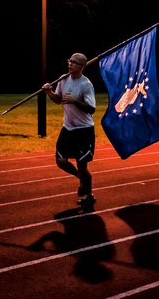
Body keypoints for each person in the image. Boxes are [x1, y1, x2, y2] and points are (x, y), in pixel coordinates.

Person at [42, 52, 96, 206]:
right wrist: (49, 92)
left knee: (82, 164)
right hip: (68, 128)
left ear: (82, 66)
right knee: (60, 160)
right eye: (70, 61)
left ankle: (88, 194)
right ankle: (81, 178)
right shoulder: (63, 79)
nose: (70, 64)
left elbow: (91, 109)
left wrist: (75, 100)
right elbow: (58, 100)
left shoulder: (86, 84)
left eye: (75, 62)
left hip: (84, 129)